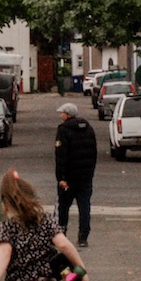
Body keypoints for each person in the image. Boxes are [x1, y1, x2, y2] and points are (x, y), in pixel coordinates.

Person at [50, 95, 100, 242]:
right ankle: (83, 236)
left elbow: (61, 156)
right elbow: (93, 153)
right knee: (84, 207)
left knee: (63, 207)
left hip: (69, 178)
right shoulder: (89, 129)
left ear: (68, 115)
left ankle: (62, 234)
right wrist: (90, 173)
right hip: (85, 177)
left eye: (62, 113)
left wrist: (61, 178)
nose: (60, 115)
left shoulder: (63, 130)